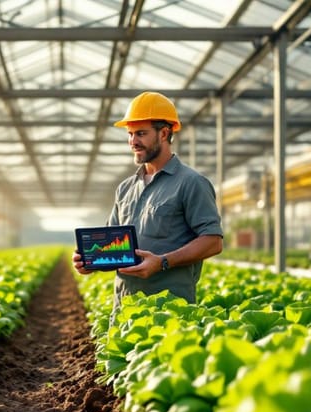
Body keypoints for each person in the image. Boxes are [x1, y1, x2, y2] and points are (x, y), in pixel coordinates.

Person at [73, 91, 224, 308]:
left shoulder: (191, 183)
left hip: (171, 310)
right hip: (125, 310)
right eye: (130, 134)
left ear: (164, 133)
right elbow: (113, 247)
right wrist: (91, 261)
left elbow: (213, 242)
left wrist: (162, 262)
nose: (133, 141)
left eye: (141, 133)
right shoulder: (125, 188)